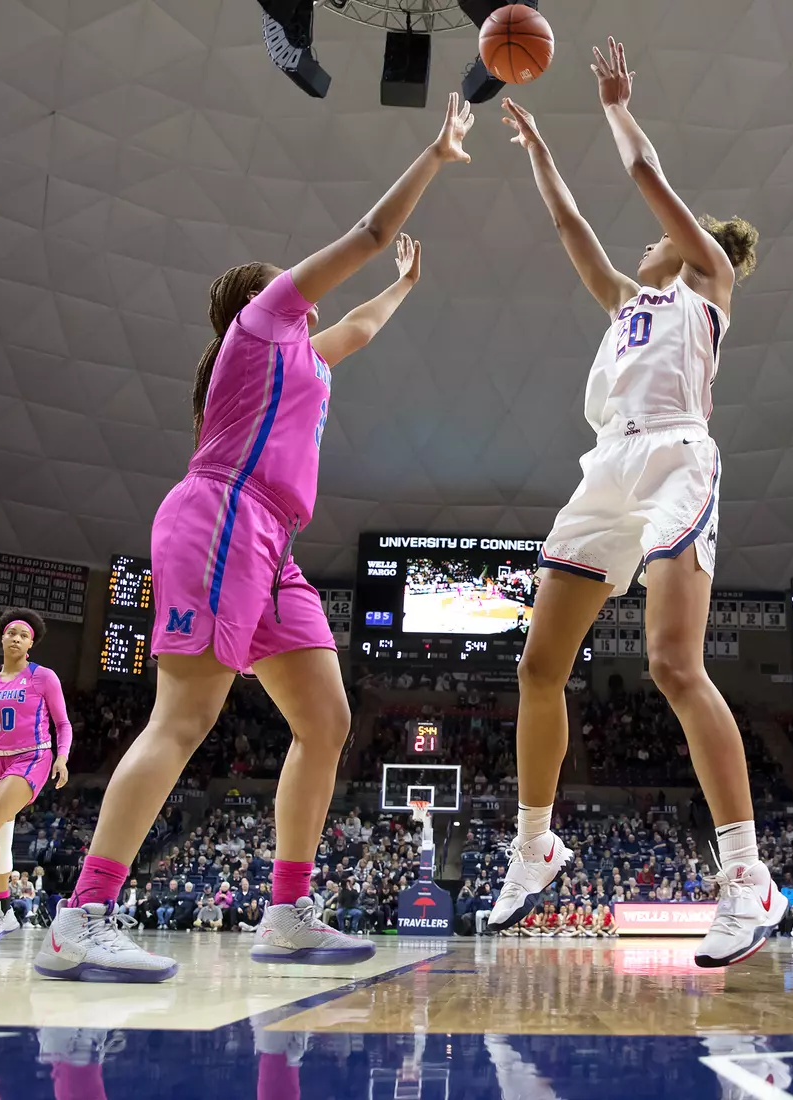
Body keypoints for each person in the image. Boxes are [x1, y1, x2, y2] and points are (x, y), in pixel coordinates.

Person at [37, 94, 476, 984]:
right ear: (261, 298)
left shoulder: (308, 357)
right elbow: (364, 230)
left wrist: (406, 287)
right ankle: (83, 914)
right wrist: (433, 157)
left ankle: (287, 910)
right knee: (186, 716)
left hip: (270, 541)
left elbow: (357, 327)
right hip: (219, 517)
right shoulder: (260, 326)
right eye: (294, 288)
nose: (311, 302)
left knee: (326, 720)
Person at [489, 39, 772, 970]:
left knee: (671, 666)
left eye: (659, 239)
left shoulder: (709, 288)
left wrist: (614, 106)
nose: (644, 244)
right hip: (605, 467)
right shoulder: (623, 301)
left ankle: (746, 878)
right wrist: (538, 152)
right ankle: (535, 845)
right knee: (538, 666)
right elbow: (574, 228)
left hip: (675, 457)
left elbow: (647, 173)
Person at [0, 608, 73, 943]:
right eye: (11, 633)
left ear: (30, 644)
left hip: (32, 757)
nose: (16, 638)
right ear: (2, 637)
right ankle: (5, 912)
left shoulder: (43, 677)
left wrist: (61, 758)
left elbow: (62, 724)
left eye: (23, 635)